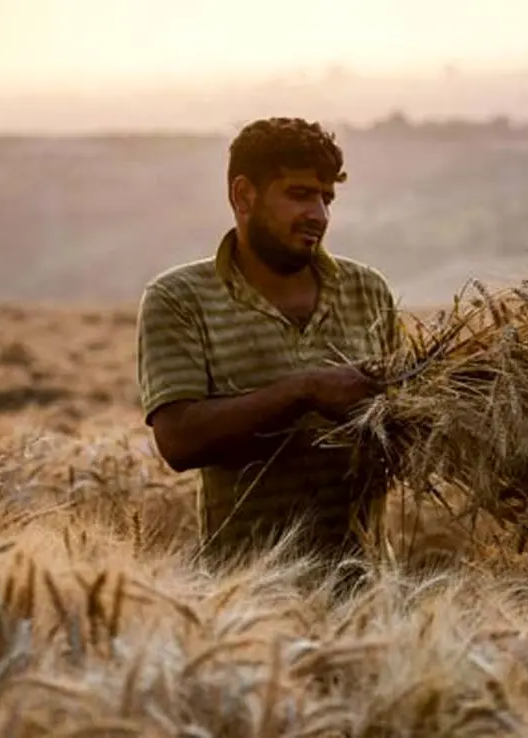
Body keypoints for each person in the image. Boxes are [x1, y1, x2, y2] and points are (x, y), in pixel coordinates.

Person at [135, 117, 401, 581]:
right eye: (299, 194)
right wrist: (305, 391)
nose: (319, 214)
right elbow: (178, 441)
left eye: (326, 198)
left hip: (363, 590)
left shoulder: (368, 290)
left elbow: (400, 431)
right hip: (240, 592)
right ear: (243, 196)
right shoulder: (179, 298)